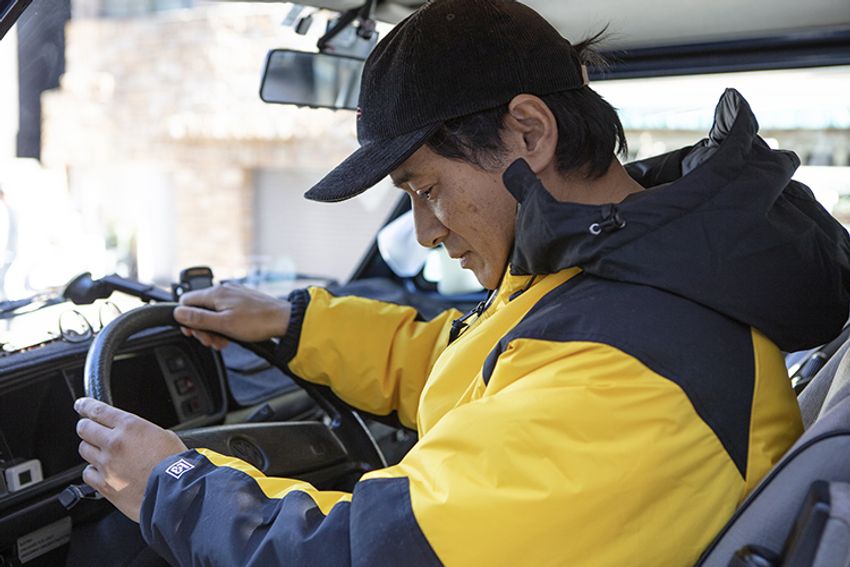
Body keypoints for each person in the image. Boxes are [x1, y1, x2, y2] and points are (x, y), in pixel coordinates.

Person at [74, 0, 850, 565]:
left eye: (427, 187)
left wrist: (169, 483)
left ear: (529, 133)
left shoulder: (635, 363)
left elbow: (365, 554)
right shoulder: (628, 275)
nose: (425, 230)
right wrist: (294, 323)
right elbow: (483, 366)